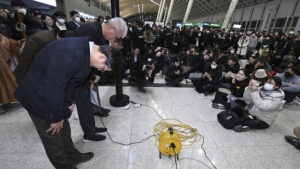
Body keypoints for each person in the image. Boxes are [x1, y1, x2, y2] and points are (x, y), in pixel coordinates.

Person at [14, 36, 109, 169]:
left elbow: (76, 83)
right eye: (103, 68)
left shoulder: (85, 50)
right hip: (39, 98)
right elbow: (52, 90)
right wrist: (56, 118)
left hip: (56, 96)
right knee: (53, 139)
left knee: (65, 130)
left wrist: (72, 103)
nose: (101, 69)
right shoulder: (69, 54)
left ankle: (73, 156)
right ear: (102, 58)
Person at [71, 17, 128, 142]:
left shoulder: (100, 35)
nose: (113, 40)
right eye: (115, 36)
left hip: (85, 74)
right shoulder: (91, 30)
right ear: (112, 29)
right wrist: (91, 77)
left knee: (87, 102)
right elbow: (83, 57)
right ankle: (88, 134)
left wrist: (93, 76)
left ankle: (91, 127)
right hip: (77, 73)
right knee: (84, 103)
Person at [0, 34, 23, 114]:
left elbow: (8, 42)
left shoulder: (3, 39)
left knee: (8, 82)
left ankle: (6, 101)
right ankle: (2, 103)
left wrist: (19, 42)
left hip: (3, 64)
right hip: (2, 64)